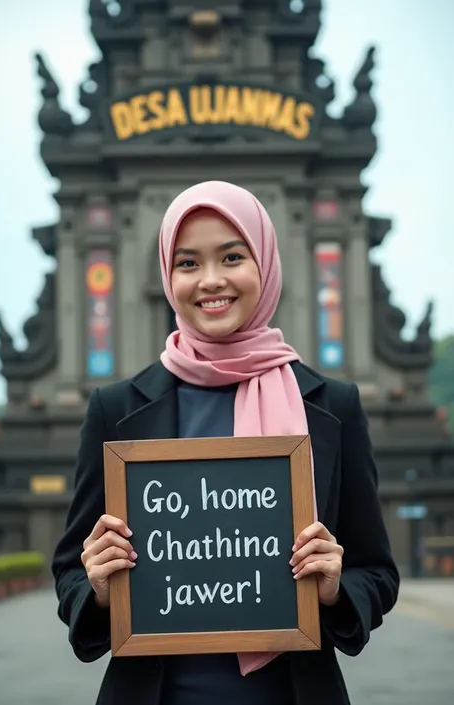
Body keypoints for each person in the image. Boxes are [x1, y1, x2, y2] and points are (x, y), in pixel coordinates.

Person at [52, 181, 399, 705]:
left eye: (232, 257)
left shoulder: (332, 407)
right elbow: (70, 571)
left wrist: (336, 588)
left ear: (266, 263)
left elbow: (376, 571)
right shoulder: (117, 410)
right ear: (168, 277)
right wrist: (96, 586)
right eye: (187, 263)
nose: (210, 281)